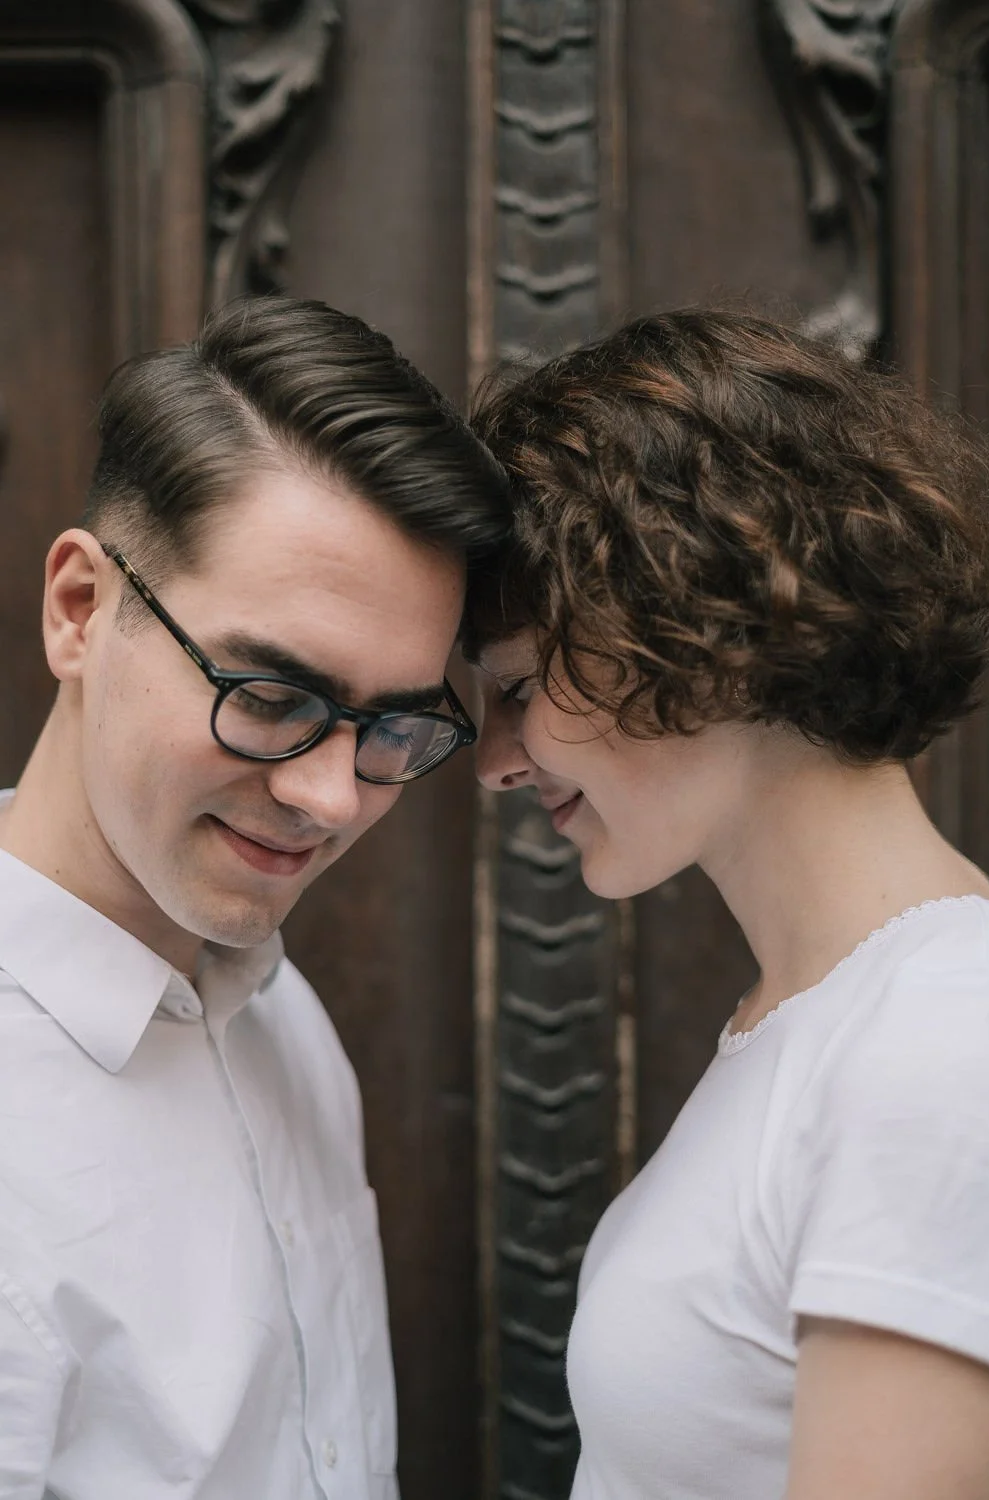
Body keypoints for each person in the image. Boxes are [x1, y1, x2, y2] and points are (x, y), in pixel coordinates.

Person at [465, 310, 989, 1500]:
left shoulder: (942, 1045)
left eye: (514, 688)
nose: (495, 762)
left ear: (675, 612)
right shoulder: (819, 1019)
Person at [0, 295, 507, 1498]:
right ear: (82, 610)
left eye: (393, 724)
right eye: (272, 696)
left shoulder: (281, 1015)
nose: (333, 799)